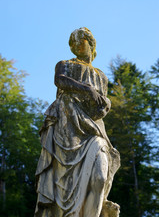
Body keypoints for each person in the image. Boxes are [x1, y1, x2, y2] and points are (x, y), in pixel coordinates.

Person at [34, 27, 120, 217]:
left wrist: (105, 105)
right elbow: (60, 80)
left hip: (94, 130)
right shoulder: (64, 64)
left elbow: (102, 105)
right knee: (65, 182)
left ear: (91, 42)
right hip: (68, 123)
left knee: (99, 178)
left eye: (80, 40)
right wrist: (87, 89)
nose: (75, 44)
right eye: (72, 42)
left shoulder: (101, 76)